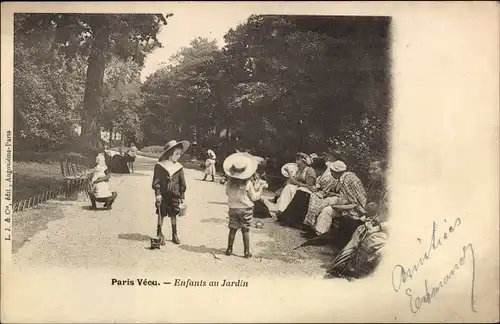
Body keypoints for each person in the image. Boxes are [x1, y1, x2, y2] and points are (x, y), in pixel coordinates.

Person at [325, 159, 389, 279]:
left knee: (355, 226)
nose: (371, 172)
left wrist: (375, 221)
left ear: (383, 170)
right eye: (370, 169)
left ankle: (348, 265)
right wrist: (369, 214)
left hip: (381, 222)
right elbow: (368, 202)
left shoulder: (388, 187)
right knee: (350, 222)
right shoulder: (374, 184)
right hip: (371, 216)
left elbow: (386, 210)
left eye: (374, 169)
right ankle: (342, 261)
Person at [223, 152, 267, 258]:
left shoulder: (229, 182)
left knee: (232, 229)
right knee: (245, 230)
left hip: (233, 208)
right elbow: (254, 197)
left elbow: (227, 193)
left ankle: (229, 248)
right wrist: (261, 188)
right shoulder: (247, 183)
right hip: (246, 209)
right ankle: (246, 252)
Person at [309, 160, 367, 240]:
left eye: (332, 171)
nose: (331, 173)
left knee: (327, 209)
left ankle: (319, 235)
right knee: (324, 208)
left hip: (354, 210)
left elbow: (357, 200)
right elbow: (345, 195)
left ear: (337, 171)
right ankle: (318, 233)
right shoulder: (341, 179)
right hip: (344, 206)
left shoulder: (350, 179)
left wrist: (338, 205)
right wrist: (335, 196)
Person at [277, 158, 334, 228]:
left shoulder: (328, 177)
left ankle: (293, 220)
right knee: (301, 191)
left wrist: (313, 190)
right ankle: (287, 217)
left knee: (302, 193)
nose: (315, 172)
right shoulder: (320, 174)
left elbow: (325, 191)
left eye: (315, 170)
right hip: (315, 192)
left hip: (322, 195)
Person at [152, 140, 189, 245]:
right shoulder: (160, 166)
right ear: (170, 154)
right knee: (161, 214)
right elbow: (156, 181)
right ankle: (159, 233)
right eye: (177, 154)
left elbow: (182, 182)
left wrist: (181, 195)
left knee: (174, 214)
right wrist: (157, 193)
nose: (179, 156)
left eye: (180, 154)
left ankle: (174, 234)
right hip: (163, 195)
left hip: (174, 195)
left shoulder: (179, 167)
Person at [275, 153, 316, 217]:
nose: (296, 162)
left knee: (291, 189)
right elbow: (292, 181)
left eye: (298, 160)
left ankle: (284, 211)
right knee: (288, 188)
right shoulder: (298, 170)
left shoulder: (310, 171)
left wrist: (290, 175)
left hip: (306, 191)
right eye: (296, 160)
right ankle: (282, 210)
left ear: (304, 162)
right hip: (299, 187)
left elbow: (309, 185)